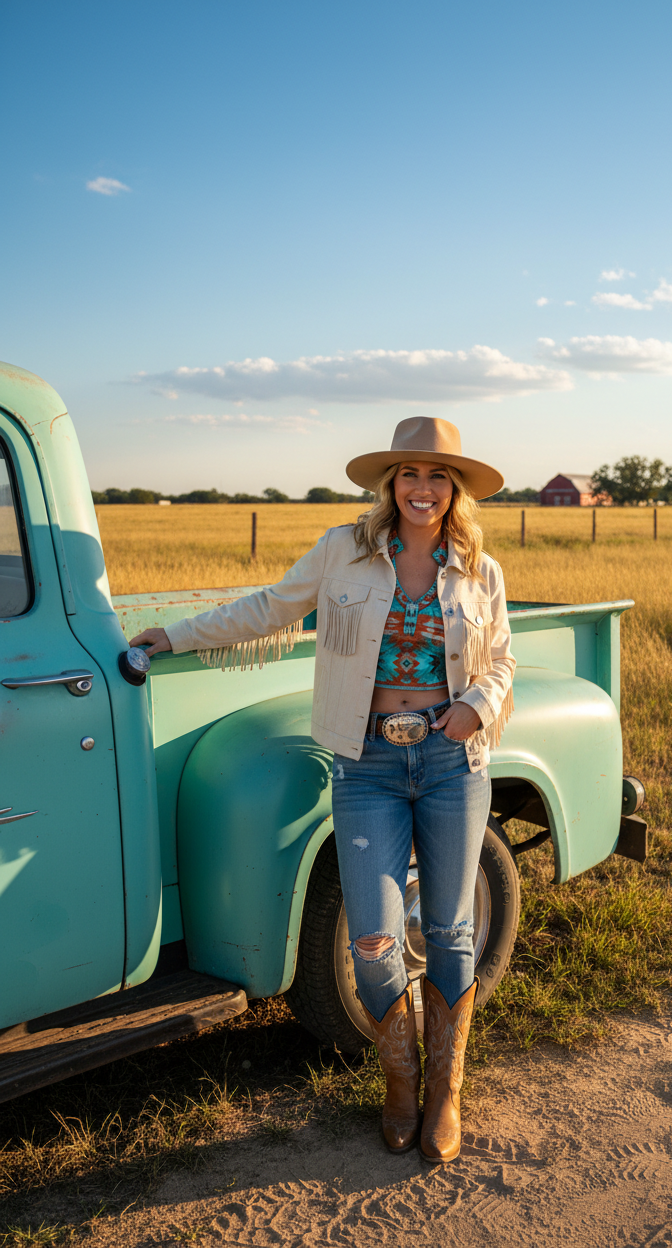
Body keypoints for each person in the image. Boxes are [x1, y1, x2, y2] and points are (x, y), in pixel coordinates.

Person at [130, 416, 516, 1163]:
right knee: (374, 937)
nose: (423, 489)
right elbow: (270, 607)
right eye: (409, 474)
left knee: (449, 931)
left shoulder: (480, 568)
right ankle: (398, 1084)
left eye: (438, 476)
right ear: (389, 483)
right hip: (365, 761)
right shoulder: (345, 550)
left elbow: (500, 660)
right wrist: (173, 635)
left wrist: (475, 707)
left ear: (456, 488)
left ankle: (445, 1094)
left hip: (450, 763)